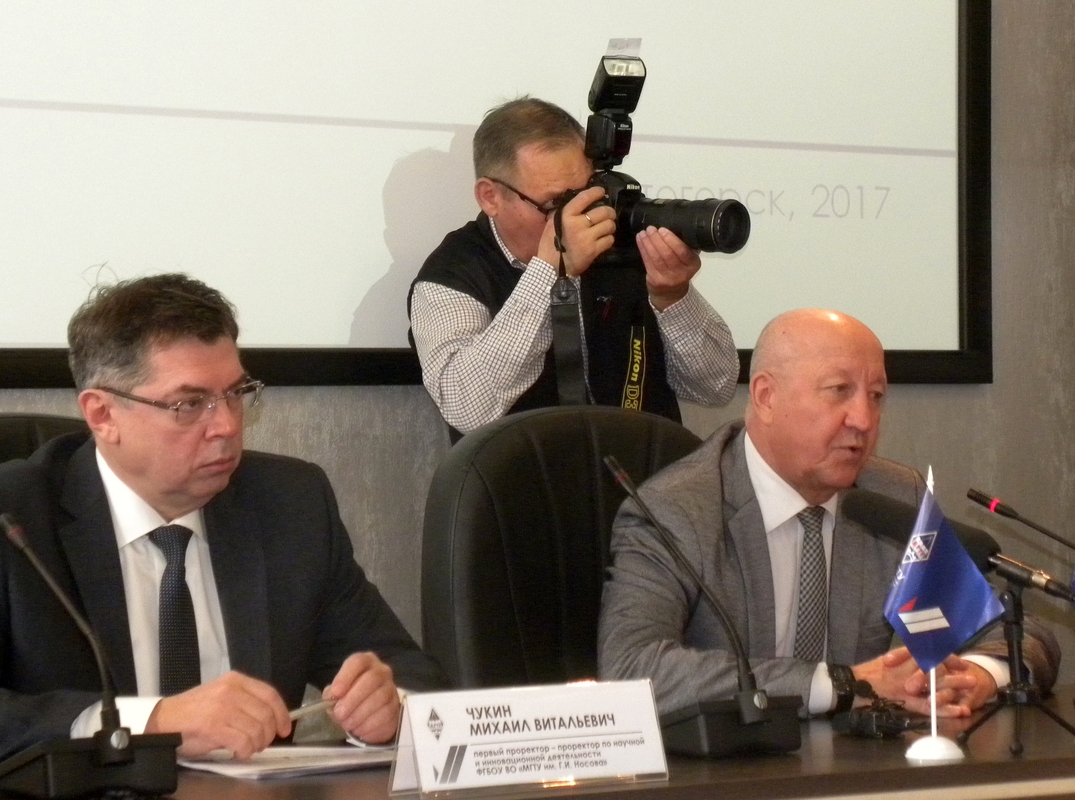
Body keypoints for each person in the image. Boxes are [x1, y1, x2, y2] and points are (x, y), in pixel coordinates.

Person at [0, 274, 445, 760]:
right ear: (103, 415)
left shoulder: (289, 505)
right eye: (190, 404)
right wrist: (152, 722)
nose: (227, 425)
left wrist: (390, 707)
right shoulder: (15, 519)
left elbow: (410, 675)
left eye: (235, 393)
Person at [597, 308, 1059, 717]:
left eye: (876, 396)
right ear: (766, 396)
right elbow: (632, 670)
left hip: (852, 768)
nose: (863, 419)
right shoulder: (676, 510)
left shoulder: (891, 498)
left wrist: (978, 675)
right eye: (839, 391)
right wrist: (841, 685)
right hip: (725, 769)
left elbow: (1016, 632)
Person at [408, 97, 739, 440]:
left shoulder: (618, 243)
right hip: (527, 471)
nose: (577, 216)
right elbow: (466, 407)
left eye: (587, 194)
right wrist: (549, 270)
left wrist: (672, 297)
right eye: (555, 203)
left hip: (645, 469)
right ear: (490, 197)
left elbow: (716, 387)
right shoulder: (452, 275)